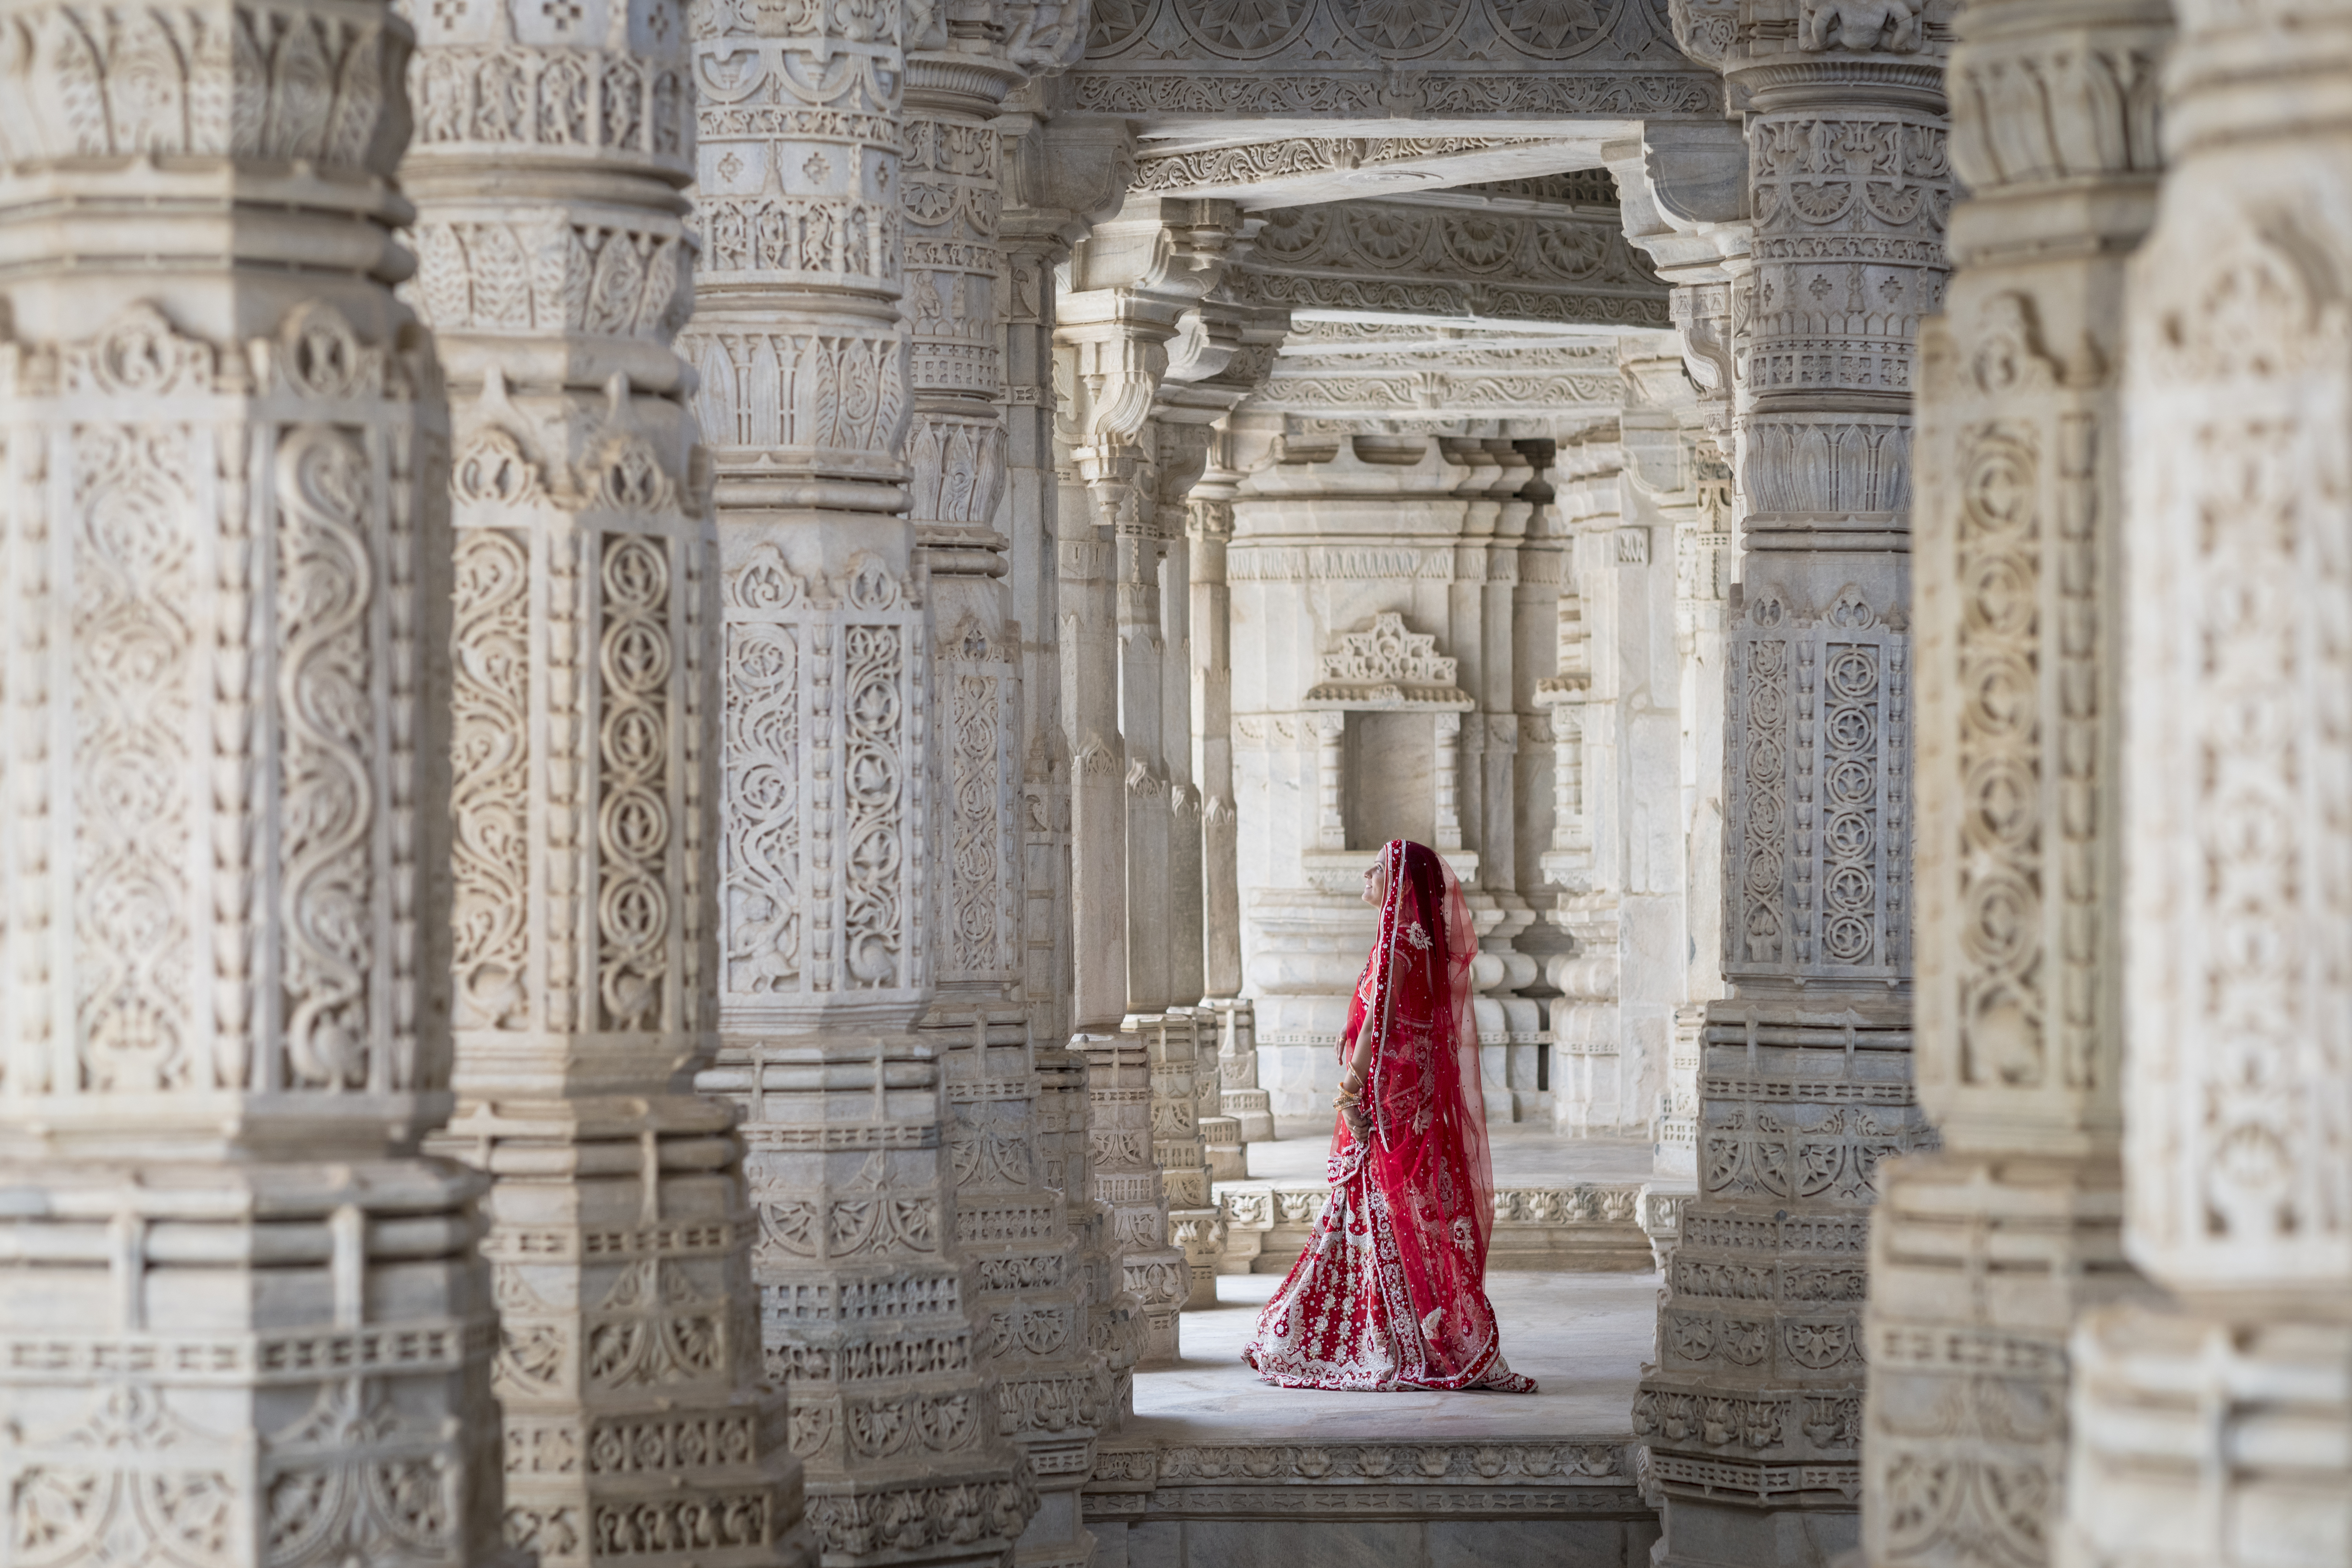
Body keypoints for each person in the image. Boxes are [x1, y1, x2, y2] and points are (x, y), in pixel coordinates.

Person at [1241, 838, 1536, 1392]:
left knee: (1374, 1210)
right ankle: (1404, 1332)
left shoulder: (1395, 947)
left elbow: (1380, 1023)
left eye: (1372, 871)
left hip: (1387, 1100)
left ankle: (1362, 1339)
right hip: (1407, 1100)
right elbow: (1394, 1024)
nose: (1364, 881)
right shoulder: (1416, 947)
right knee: (1395, 1211)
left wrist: (1350, 1087)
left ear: (1396, 883)